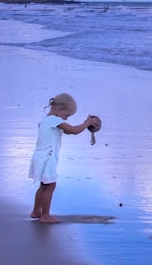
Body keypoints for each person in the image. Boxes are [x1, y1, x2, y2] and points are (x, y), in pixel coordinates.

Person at [28, 93, 100, 223]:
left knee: (43, 186)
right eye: (67, 115)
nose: (66, 119)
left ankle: (36, 211)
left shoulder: (46, 120)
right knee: (50, 186)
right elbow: (73, 130)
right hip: (47, 158)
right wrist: (87, 123)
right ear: (60, 108)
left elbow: (68, 131)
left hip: (39, 156)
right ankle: (45, 216)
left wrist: (85, 125)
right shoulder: (55, 120)